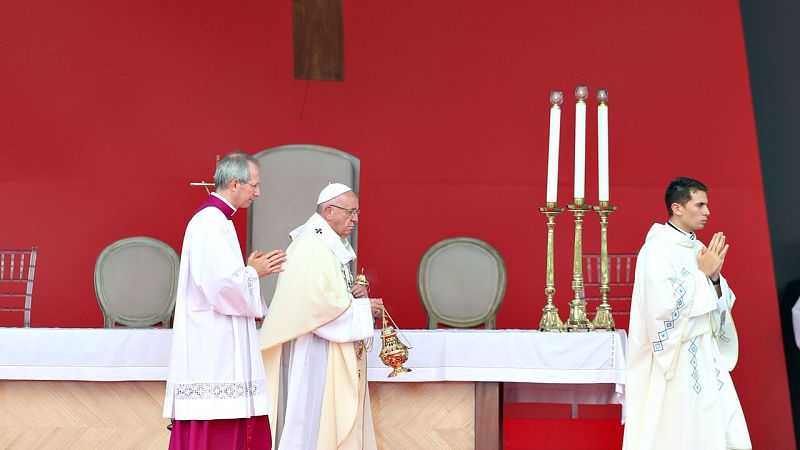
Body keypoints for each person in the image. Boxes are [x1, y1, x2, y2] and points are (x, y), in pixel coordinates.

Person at [163, 151, 286, 450]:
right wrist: (253, 273)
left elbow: (222, 278)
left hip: (218, 337)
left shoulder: (219, 220)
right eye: (254, 185)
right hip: (212, 343)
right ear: (235, 184)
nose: (258, 192)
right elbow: (218, 287)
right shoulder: (209, 223)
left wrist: (247, 271)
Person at [623, 177, 751, 450]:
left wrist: (714, 278)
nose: (707, 212)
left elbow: (720, 300)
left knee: (719, 427)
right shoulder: (656, 249)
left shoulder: (697, 248)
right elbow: (661, 307)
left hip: (706, 354)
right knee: (679, 431)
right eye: (700, 205)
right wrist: (702, 274)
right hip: (676, 358)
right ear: (677, 207)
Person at [260, 183, 383, 450]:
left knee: (318, 420)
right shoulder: (311, 245)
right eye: (351, 212)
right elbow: (314, 304)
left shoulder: (328, 244)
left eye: (357, 212)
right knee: (308, 419)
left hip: (324, 343)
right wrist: (361, 310)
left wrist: (355, 295)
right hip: (311, 348)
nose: (355, 219)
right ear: (329, 211)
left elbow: (330, 295)